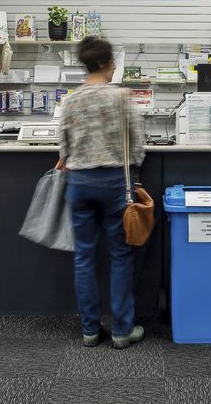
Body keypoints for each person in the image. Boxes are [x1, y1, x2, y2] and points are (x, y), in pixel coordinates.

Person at [57, 36, 147, 348]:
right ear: (107, 63)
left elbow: (63, 146)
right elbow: (138, 145)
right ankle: (122, 331)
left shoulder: (72, 100)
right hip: (115, 184)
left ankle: (90, 330)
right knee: (120, 255)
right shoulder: (122, 97)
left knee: (84, 256)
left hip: (80, 184)